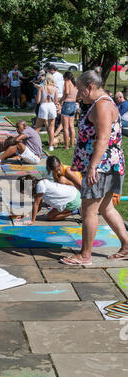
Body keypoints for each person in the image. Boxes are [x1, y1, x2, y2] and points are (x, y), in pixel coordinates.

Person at [60, 69, 128, 266]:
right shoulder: (103, 102)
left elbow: (103, 138)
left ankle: (85, 255)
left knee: (88, 210)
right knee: (106, 208)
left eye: (80, 90)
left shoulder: (102, 107)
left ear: (90, 87)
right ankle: (126, 246)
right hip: (109, 165)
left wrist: (92, 167)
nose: (78, 94)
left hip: (101, 167)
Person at [35, 74, 58, 151]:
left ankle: (34, 144)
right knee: (52, 128)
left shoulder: (42, 87)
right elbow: (56, 101)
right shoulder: (55, 88)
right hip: (51, 106)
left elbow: (38, 101)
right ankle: (51, 146)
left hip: (44, 106)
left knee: (37, 127)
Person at [60, 71, 78, 149]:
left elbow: (67, 92)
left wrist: (61, 100)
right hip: (73, 104)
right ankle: (72, 144)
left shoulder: (67, 82)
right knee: (72, 126)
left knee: (65, 127)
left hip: (67, 104)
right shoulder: (74, 84)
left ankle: (66, 146)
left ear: (66, 77)